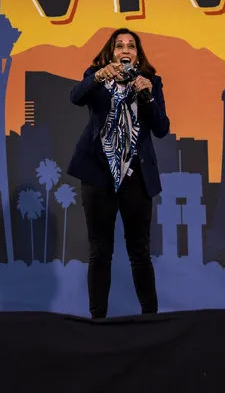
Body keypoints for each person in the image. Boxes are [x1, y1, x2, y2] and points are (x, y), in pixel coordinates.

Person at [67, 28, 170, 319]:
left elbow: (162, 128)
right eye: (119, 45)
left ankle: (150, 317)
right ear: (111, 53)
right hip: (99, 174)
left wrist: (147, 96)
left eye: (131, 46)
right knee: (100, 250)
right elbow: (75, 96)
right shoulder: (96, 78)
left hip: (136, 175)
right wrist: (98, 76)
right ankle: (97, 318)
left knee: (140, 251)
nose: (125, 50)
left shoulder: (151, 82)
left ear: (138, 54)